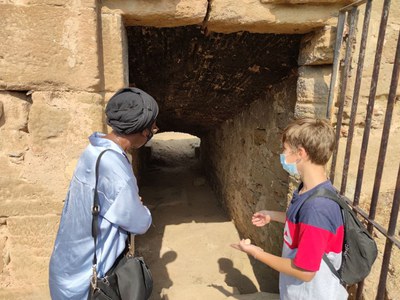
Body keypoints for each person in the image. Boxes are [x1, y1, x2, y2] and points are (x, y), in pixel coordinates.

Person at [49, 87, 159, 299]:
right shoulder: (115, 166)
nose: (153, 131)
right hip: (90, 281)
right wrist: (140, 207)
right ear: (142, 130)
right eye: (152, 127)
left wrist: (127, 202)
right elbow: (139, 222)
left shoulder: (95, 150)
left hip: (67, 268)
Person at [231, 118, 348, 299]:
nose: (282, 155)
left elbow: (305, 271)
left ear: (300, 153)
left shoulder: (318, 208)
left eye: (285, 150)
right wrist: (272, 216)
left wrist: (256, 253)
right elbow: (303, 222)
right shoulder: (309, 190)